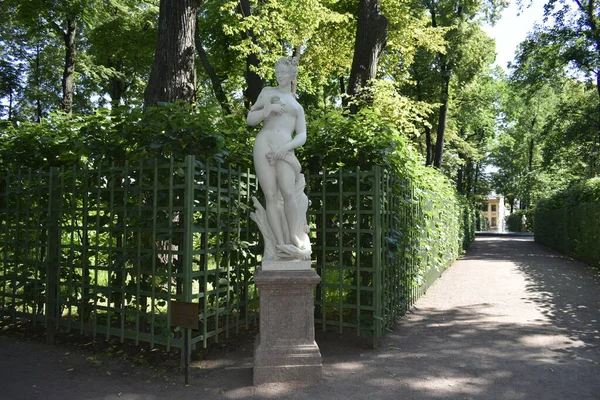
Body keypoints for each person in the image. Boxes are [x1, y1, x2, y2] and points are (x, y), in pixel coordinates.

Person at [247, 57, 308, 255]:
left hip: (284, 148)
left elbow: (302, 135)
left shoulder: (297, 106)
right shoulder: (267, 93)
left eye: (283, 72)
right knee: (271, 196)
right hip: (264, 144)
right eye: (277, 72)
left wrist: (287, 147)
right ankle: (280, 244)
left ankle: (293, 236)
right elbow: (250, 119)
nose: (279, 75)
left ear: (292, 75)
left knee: (289, 193)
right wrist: (268, 109)